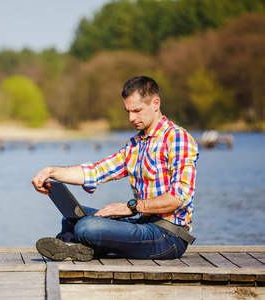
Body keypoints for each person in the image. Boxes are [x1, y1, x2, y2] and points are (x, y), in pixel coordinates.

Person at [31, 76, 199, 261]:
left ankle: (78, 244)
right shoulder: (135, 144)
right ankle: (79, 247)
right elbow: (96, 171)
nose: (131, 118)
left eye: (136, 111)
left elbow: (178, 198)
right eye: (128, 111)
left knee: (87, 227)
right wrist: (50, 171)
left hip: (168, 237)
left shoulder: (177, 139)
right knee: (73, 218)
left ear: (155, 103)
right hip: (141, 223)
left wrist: (132, 207)